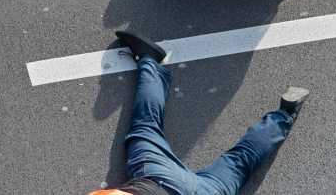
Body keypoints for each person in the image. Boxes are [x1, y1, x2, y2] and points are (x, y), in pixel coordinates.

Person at [88, 31, 310, 195]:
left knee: (240, 162)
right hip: (160, 178)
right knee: (145, 127)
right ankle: (150, 61)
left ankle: (285, 114)